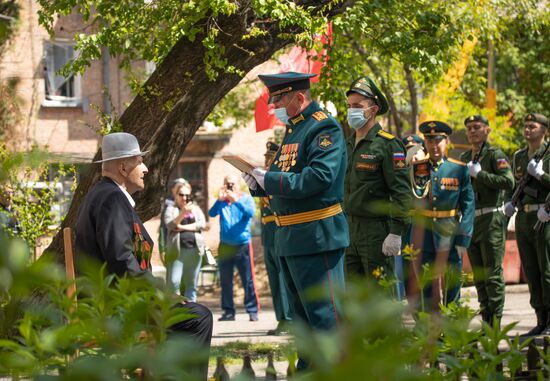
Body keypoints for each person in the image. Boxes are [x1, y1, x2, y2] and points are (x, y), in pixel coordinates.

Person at [74, 132, 212, 379]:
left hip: (119, 299)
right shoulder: (111, 198)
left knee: (190, 313)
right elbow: (121, 260)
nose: (146, 168)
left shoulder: (108, 195)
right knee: (197, 318)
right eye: (140, 161)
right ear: (123, 166)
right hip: (115, 305)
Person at [243, 71, 349, 370]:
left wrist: (270, 180)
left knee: (325, 319)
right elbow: (285, 178)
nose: (273, 105)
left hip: (317, 236)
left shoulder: (323, 127)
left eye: (278, 99)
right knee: (303, 323)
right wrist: (258, 184)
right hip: (290, 238)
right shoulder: (294, 129)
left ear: (299, 97)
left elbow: (319, 177)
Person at [343, 76, 411, 286]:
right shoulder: (347, 144)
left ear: (372, 110)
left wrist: (396, 233)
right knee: (355, 301)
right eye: (349, 106)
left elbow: (402, 193)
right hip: (349, 231)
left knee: (381, 299)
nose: (351, 111)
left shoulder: (388, 145)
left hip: (376, 232)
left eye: (357, 106)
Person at [405, 121, 475, 311]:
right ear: (425, 143)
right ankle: (432, 332)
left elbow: (468, 205)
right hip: (424, 236)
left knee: (452, 286)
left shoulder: (458, 169)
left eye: (438, 141)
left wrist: (463, 238)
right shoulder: (416, 168)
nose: (434, 145)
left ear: (447, 142)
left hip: (450, 235)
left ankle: (451, 329)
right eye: (430, 141)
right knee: (426, 287)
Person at [459, 115, 514, 327]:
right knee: (479, 277)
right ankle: (486, 321)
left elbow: (508, 182)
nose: (472, 131)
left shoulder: (494, 155)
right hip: (472, 221)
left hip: (491, 219)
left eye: (477, 127)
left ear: (487, 130)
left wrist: (481, 175)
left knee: (492, 275)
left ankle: (496, 324)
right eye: (469, 128)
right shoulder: (464, 157)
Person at [503, 113, 550, 336]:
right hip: (524, 219)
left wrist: (542, 176)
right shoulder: (519, 156)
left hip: (545, 216)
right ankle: (540, 318)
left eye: (533, 126)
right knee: (531, 271)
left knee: (547, 271)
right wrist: (511, 204)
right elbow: (516, 186)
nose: (528, 129)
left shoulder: (548, 155)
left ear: (544, 131)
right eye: (526, 126)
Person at [208, 174, 259, 322]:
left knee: (247, 280)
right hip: (225, 246)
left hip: (242, 245)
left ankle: (252, 310)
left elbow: (250, 213)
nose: (230, 186)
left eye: (232, 184)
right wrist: (219, 199)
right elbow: (211, 213)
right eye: (227, 184)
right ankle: (228, 312)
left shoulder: (246, 199)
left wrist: (235, 200)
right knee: (225, 280)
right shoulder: (222, 202)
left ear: (238, 185)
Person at [260, 141, 292, 335]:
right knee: (274, 278)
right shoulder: (267, 179)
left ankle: (288, 319)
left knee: (282, 278)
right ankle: (282, 317)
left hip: (279, 230)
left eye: (269, 159)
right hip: (268, 233)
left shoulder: (279, 179)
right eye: (266, 159)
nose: (266, 163)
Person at [164, 180, 206, 302]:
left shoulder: (195, 209)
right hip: (177, 252)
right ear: (176, 195)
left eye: (187, 195)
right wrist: (183, 213)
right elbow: (170, 225)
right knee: (174, 283)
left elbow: (201, 224)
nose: (184, 198)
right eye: (181, 195)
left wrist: (181, 227)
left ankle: (192, 314)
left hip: (195, 250)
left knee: (191, 285)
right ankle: (177, 313)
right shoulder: (171, 209)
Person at [159, 178, 188, 264]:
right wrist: (162, 248)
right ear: (173, 190)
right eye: (178, 187)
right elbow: (163, 228)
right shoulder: (168, 206)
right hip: (172, 248)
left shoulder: (191, 205)